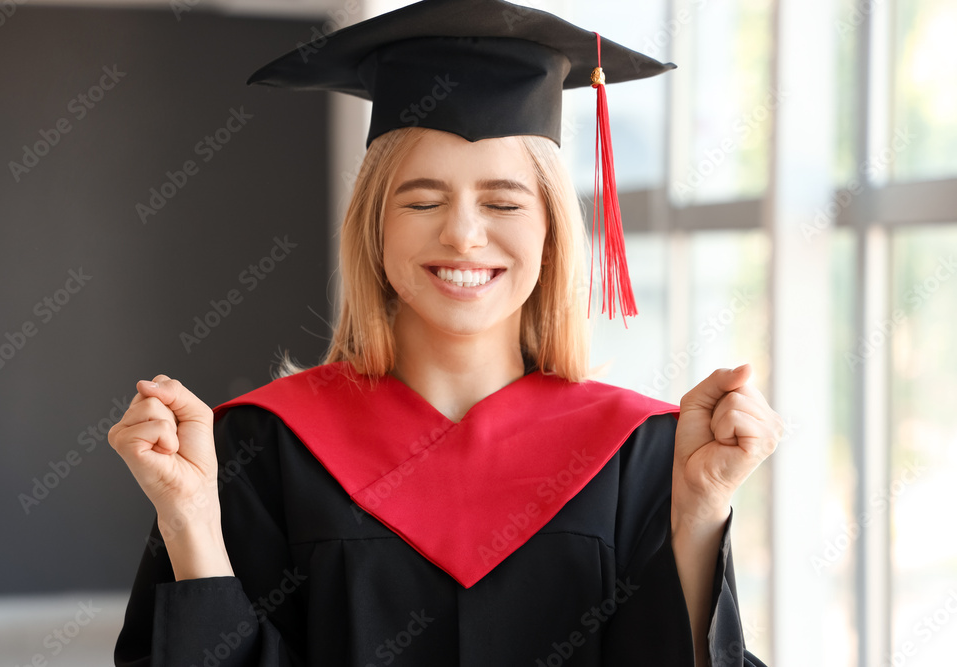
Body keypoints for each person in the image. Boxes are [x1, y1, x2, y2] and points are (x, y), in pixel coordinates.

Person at [109, 1, 782, 665]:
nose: (463, 233)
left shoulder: (641, 455)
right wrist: (189, 519)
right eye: (423, 200)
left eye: (503, 202)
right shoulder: (261, 447)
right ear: (375, 227)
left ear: (551, 231)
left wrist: (698, 514)